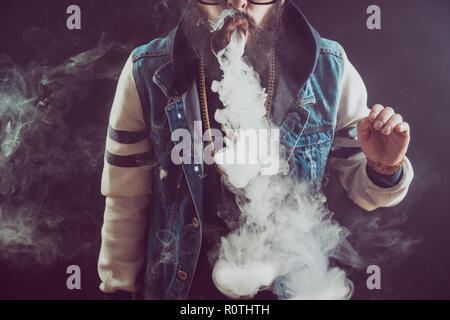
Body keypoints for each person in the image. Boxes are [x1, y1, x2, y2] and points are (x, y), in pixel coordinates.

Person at [98, 0, 414, 300]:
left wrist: (385, 166)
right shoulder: (146, 72)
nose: (236, 4)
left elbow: (364, 190)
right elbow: (126, 199)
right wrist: (119, 288)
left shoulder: (331, 70)